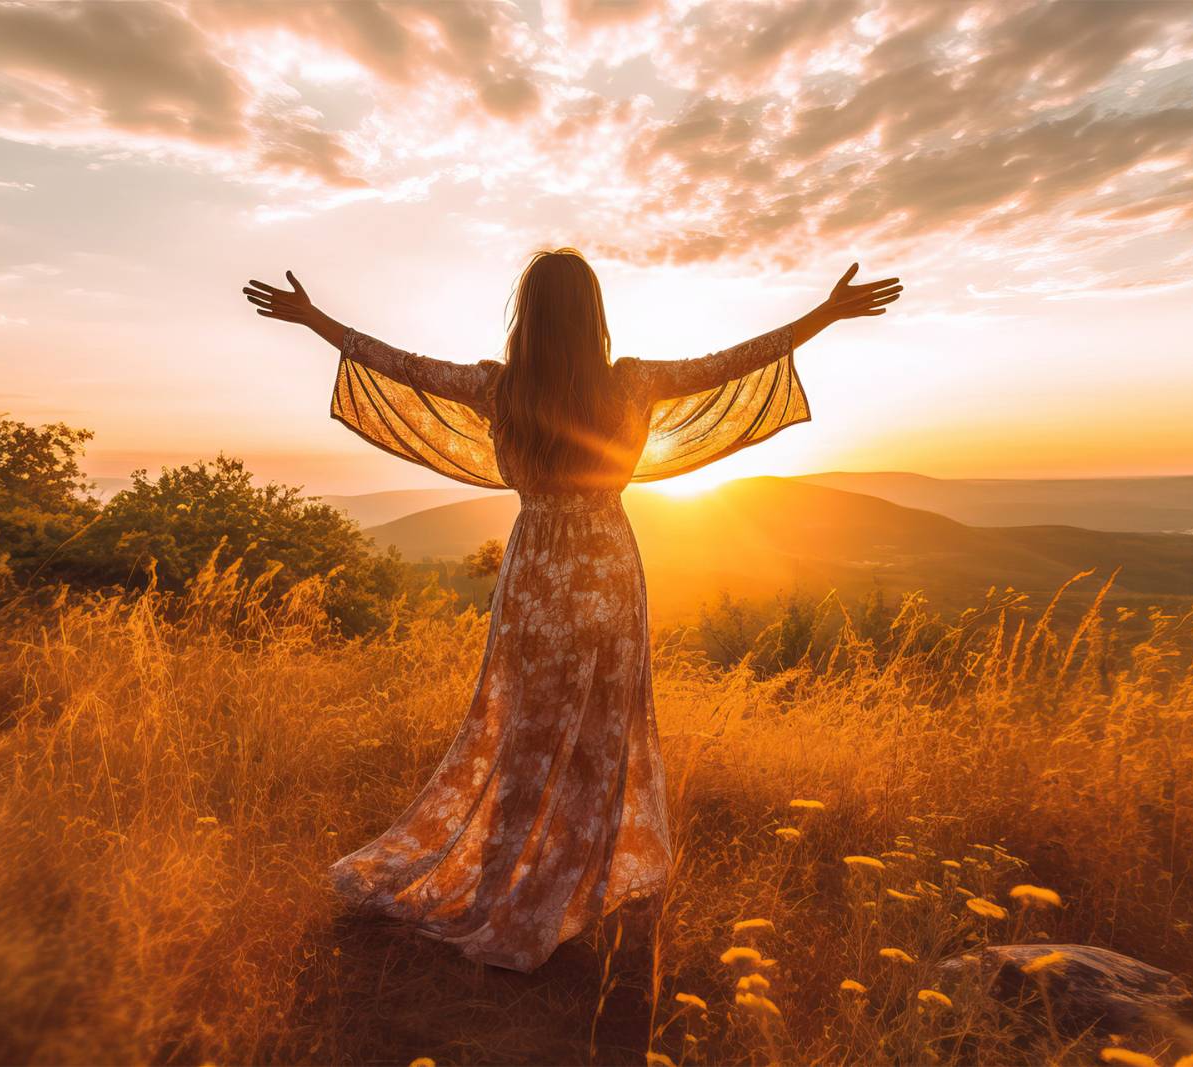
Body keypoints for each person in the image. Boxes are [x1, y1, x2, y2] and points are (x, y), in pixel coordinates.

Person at [242, 249, 902, 972]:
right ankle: (574, 886)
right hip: (608, 566)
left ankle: (514, 879)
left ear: (527, 316)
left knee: (525, 729)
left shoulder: (500, 387)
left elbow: (397, 363)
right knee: (600, 735)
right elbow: (738, 360)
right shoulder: (634, 382)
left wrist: (313, 320)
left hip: (535, 571)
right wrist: (824, 314)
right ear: (594, 314)